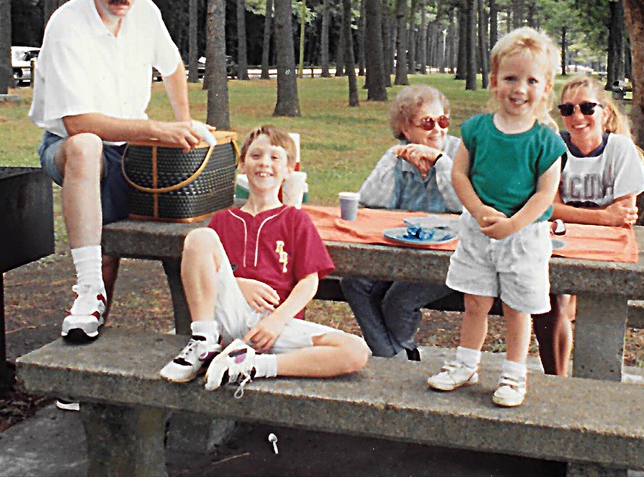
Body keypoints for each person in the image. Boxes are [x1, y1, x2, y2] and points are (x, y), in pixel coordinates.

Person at [29, 0, 208, 345]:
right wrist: (160, 130)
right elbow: (77, 123)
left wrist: (184, 126)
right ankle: (87, 300)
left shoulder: (145, 12)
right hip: (71, 150)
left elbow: (174, 67)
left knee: (182, 235)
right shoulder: (66, 25)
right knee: (88, 149)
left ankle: (197, 340)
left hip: (132, 147)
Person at [160, 124, 370, 393]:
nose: (264, 164)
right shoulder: (224, 220)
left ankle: (250, 365)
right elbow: (204, 269)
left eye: (275, 157)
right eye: (256, 156)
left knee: (354, 351)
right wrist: (238, 284)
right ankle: (204, 343)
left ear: (289, 169)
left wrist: (276, 321)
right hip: (226, 316)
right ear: (243, 166)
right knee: (199, 237)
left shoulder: (296, 220)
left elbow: (309, 282)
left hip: (275, 325)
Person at [427, 27, 566, 407]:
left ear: (546, 86)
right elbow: (459, 174)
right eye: (510, 78)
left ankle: (513, 374)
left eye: (531, 80)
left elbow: (544, 193)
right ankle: (466, 363)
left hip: (524, 237)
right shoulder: (476, 130)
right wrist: (479, 210)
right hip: (478, 231)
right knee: (475, 302)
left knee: (517, 309)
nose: (519, 89)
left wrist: (513, 224)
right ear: (494, 81)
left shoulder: (546, 140)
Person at [534, 75, 644, 376]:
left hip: (607, 247)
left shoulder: (620, 149)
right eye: (567, 109)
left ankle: (596, 379)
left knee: (597, 297)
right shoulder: (554, 147)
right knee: (549, 298)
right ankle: (556, 378)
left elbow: (624, 213)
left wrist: (575, 214)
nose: (577, 117)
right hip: (561, 240)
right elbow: (548, 209)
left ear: (605, 112)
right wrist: (601, 215)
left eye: (587, 108)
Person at [340, 85, 462, 360]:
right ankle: (396, 356)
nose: (438, 130)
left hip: (450, 257)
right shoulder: (401, 154)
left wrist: (440, 162)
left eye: (443, 121)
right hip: (402, 251)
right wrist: (391, 158)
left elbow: (462, 206)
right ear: (407, 130)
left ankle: (398, 355)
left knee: (399, 300)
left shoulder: (459, 153)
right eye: (427, 123)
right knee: (354, 282)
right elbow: (371, 202)